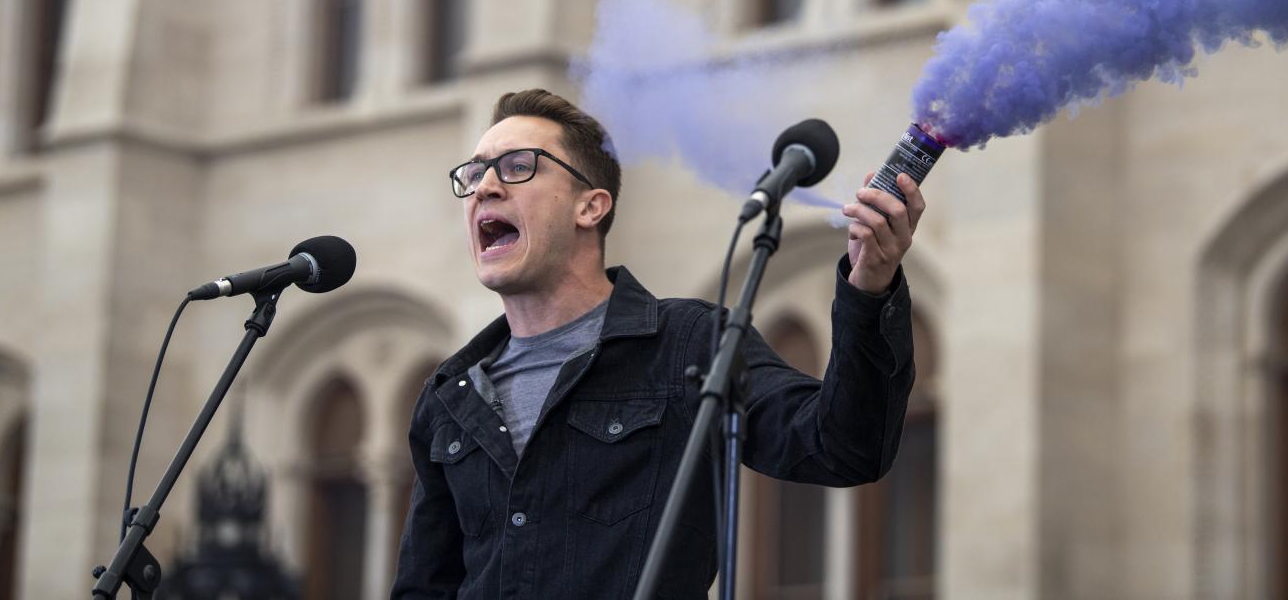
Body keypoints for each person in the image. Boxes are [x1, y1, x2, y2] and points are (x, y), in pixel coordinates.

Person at [391, 89, 925, 599]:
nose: (484, 186)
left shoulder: (689, 344)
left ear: (590, 207)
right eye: (474, 173)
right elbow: (425, 586)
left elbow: (843, 447)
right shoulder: (450, 396)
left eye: (516, 167)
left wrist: (869, 289)